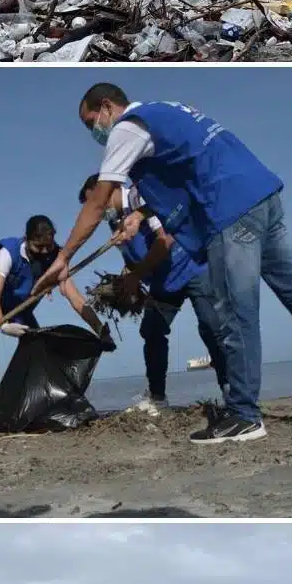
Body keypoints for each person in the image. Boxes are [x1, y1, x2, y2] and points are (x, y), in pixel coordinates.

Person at [37, 83, 292, 445]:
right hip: (260, 195)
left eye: (91, 122)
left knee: (234, 315)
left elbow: (98, 202)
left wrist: (64, 257)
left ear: (106, 107)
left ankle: (244, 415)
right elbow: (191, 163)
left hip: (228, 209)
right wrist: (142, 213)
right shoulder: (168, 109)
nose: (94, 132)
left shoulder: (128, 127)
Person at [79, 175, 230, 412]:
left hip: (191, 269)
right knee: (151, 330)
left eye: (98, 201)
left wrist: (137, 275)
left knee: (211, 328)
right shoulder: (115, 223)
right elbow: (133, 258)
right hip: (163, 282)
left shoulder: (141, 197)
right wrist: (130, 279)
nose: (99, 209)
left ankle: (232, 393)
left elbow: (165, 241)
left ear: (111, 189)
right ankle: (158, 397)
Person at [0, 215, 108, 437]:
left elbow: (74, 297)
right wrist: (3, 326)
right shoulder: (8, 253)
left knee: (39, 346)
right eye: (38, 246)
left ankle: (40, 405)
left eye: (47, 246)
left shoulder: (57, 258)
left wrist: (99, 328)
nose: (43, 252)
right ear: (27, 239)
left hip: (18, 305)